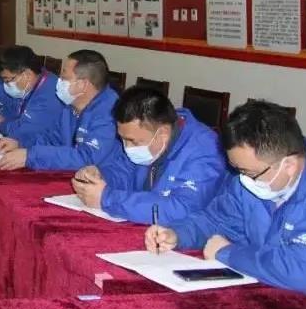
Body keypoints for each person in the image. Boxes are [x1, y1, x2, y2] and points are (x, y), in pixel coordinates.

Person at [144, 101, 306, 301]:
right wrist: (176, 234)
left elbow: (302, 272)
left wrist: (227, 253)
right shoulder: (253, 177)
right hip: (266, 294)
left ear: (289, 166)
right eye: (237, 169)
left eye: (249, 173)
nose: (243, 179)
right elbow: (216, 220)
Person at [71, 86, 225, 224]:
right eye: (122, 139)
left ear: (162, 134)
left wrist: (107, 198)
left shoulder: (206, 151)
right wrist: (101, 175)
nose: (127, 148)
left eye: (133, 141)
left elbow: (182, 209)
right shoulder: (151, 134)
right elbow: (124, 171)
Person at [0, 49, 119, 171]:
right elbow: (53, 138)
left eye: (64, 78)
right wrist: (21, 144)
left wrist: (31, 156)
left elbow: (86, 158)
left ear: (83, 85)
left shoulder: (110, 113)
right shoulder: (71, 105)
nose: (58, 82)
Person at [0, 45, 63, 146]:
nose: (6, 85)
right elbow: (14, 119)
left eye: (7, 80)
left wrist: (0, 123)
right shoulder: (30, 87)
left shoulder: (50, 93)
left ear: (27, 75)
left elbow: (24, 132)